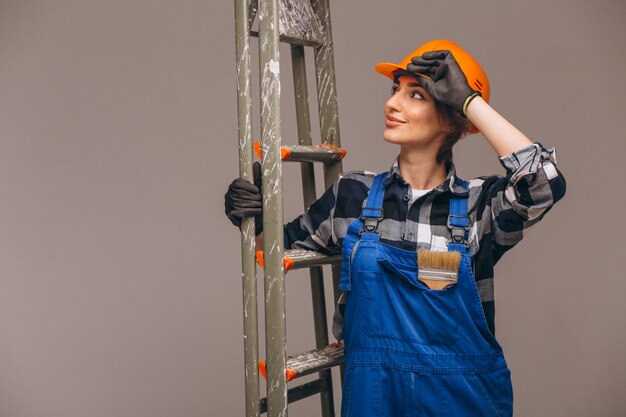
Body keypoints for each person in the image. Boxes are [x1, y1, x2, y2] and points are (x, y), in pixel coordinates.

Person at [225, 39, 566, 417]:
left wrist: (471, 103)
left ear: (453, 118)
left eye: (416, 95)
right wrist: (252, 217)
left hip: (461, 402)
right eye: (394, 90)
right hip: (374, 400)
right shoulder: (352, 196)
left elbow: (543, 186)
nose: (392, 104)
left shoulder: (477, 207)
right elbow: (275, 248)